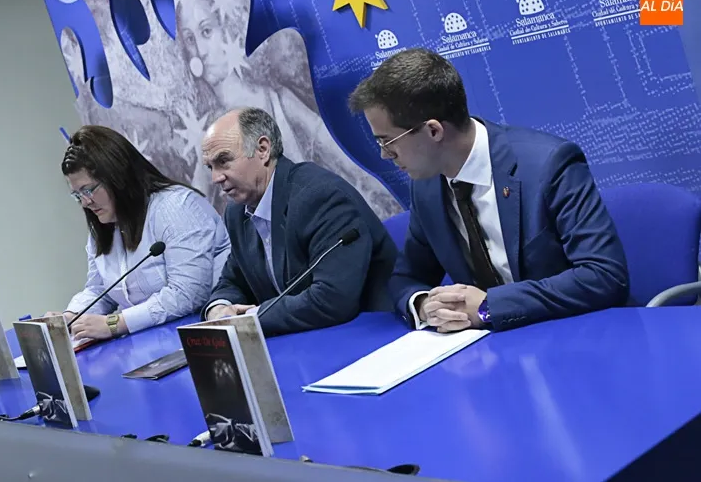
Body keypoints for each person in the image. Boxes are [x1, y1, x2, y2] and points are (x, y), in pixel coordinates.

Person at [347, 48, 630, 333]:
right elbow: (406, 277)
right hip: (496, 352)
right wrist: (423, 304)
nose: (385, 155)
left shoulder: (549, 166)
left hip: (580, 338)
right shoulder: (426, 187)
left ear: (433, 131)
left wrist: (489, 307)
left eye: (387, 141)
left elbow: (603, 276)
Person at [199, 107, 399, 336]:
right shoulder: (237, 213)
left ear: (262, 150)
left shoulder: (319, 196)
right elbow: (232, 280)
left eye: (223, 161)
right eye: (210, 167)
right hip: (305, 338)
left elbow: (332, 299)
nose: (216, 178)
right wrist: (220, 311)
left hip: (371, 333)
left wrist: (250, 319)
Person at [47, 125, 231, 341]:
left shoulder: (176, 206)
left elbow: (188, 293)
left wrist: (115, 324)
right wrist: (70, 317)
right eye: (78, 195)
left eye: (89, 190)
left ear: (117, 177)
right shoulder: (102, 223)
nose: (85, 203)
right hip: (151, 341)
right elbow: (99, 289)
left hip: (205, 336)